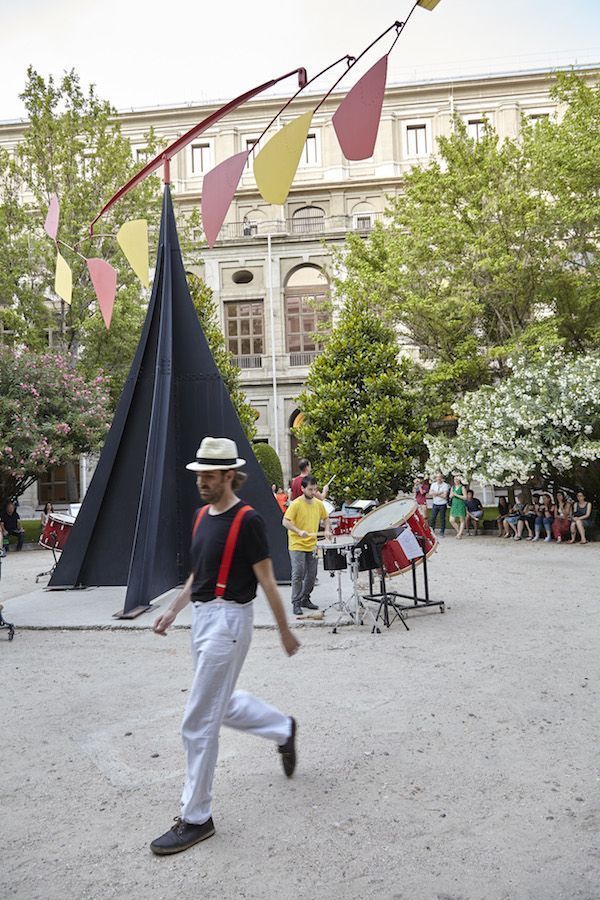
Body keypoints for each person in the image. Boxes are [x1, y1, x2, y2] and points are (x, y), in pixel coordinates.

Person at [150, 437, 300, 856]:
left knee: (197, 721)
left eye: (209, 476)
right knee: (223, 703)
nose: (201, 481)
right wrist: (173, 611)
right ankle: (283, 729)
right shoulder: (201, 518)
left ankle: (197, 817)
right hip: (202, 619)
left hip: (231, 621)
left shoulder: (248, 520)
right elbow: (198, 575)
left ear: (230, 475)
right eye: (199, 474)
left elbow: (268, 579)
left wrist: (285, 630)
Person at [283, 475, 331, 617]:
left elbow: (326, 518)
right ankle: (296, 602)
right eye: (310, 489)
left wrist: (327, 529)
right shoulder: (296, 504)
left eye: (315, 489)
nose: (313, 492)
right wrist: (298, 531)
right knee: (298, 573)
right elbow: (285, 522)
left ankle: (305, 598)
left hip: (312, 544)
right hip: (297, 544)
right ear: (303, 488)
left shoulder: (318, 504)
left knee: (312, 575)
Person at [427, 472, 450, 536]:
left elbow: (445, 496)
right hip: (435, 503)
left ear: (442, 478)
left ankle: (442, 531)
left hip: (442, 504)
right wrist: (440, 493)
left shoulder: (445, 485)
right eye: (437, 477)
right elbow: (430, 493)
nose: (438, 478)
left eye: (440, 477)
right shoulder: (433, 484)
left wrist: (435, 493)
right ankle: (432, 530)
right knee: (433, 517)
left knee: (442, 518)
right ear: (436, 478)